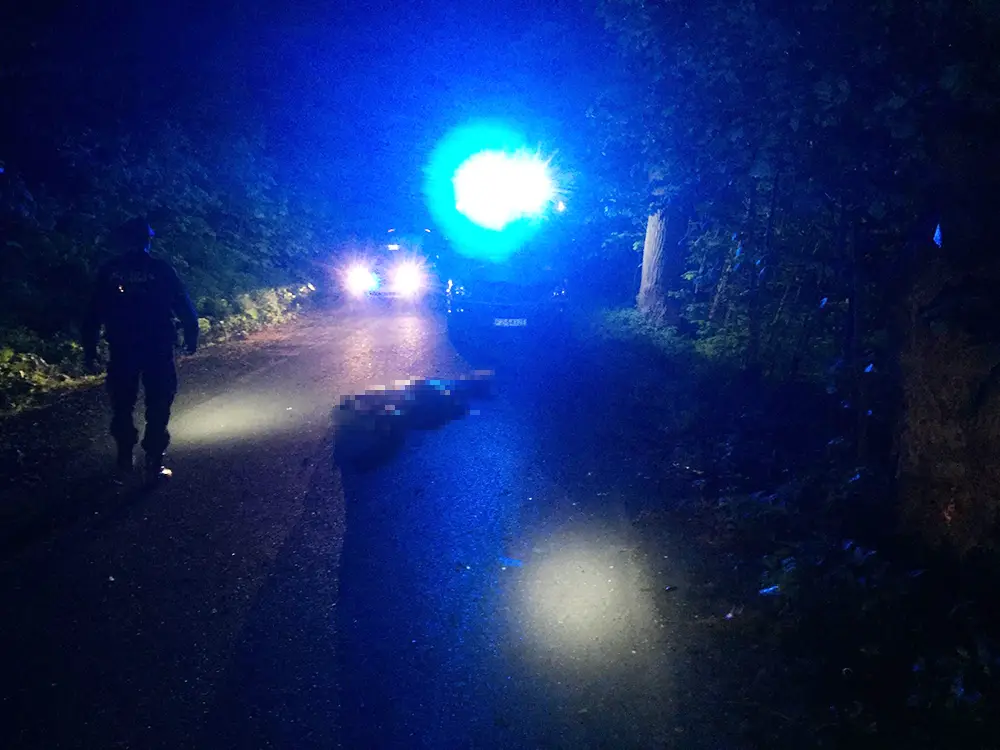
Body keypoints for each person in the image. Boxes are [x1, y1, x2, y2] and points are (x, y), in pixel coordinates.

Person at [82, 218, 199, 483]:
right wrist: (191, 336)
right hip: (157, 347)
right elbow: (183, 305)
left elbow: (92, 313)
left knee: (122, 404)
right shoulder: (161, 269)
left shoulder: (109, 271)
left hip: (122, 347)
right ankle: (154, 461)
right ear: (148, 239)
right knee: (159, 402)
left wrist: (90, 349)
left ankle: (125, 458)